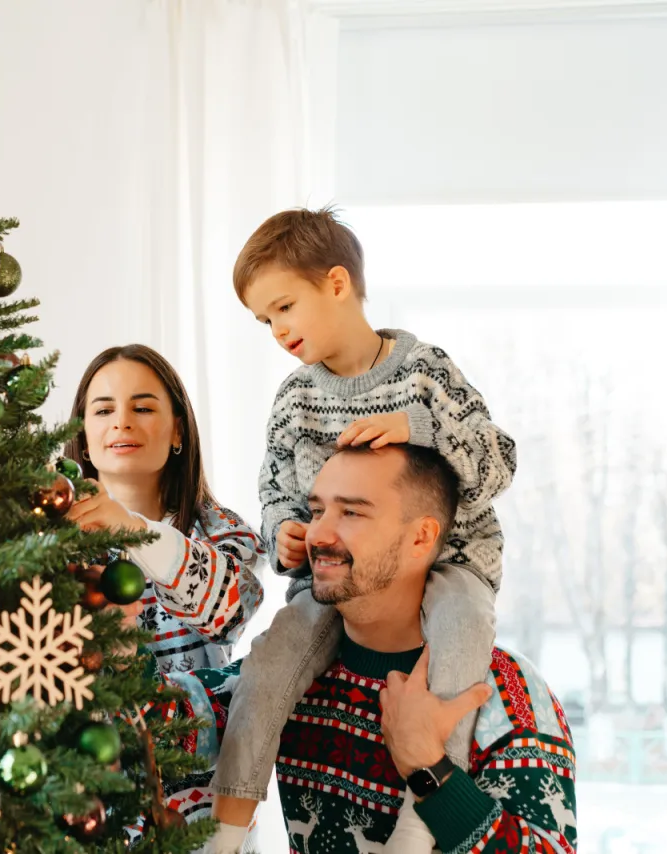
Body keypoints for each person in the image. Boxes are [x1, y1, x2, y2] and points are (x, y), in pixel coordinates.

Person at [214, 207, 517, 852]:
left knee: (460, 641)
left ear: (336, 283)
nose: (277, 330)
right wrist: (286, 536)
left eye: (284, 307)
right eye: (265, 320)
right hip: (339, 579)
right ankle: (227, 834)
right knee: (269, 665)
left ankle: (419, 826)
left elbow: (499, 461)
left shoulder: (425, 372)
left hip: (454, 561)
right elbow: (274, 492)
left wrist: (423, 432)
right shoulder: (295, 399)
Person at [144, 445, 575, 854]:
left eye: (351, 512)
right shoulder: (283, 678)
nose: (318, 533)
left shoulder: (502, 691)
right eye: (316, 511)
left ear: (421, 538)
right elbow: (143, 725)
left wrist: (431, 770)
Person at [62, 344, 264, 674]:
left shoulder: (220, 529)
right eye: (103, 411)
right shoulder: (52, 539)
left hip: (194, 723)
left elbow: (236, 609)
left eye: (142, 408)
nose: (122, 422)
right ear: (83, 439)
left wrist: (130, 528)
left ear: (178, 431)